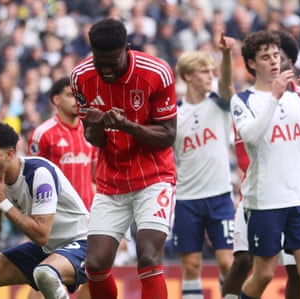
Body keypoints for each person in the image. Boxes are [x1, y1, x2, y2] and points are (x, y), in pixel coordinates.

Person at [70, 18, 177, 299]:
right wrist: (93, 126)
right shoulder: (80, 77)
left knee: (149, 257)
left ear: (126, 49)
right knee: (95, 264)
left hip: (154, 177)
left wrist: (128, 125)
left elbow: (168, 135)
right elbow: (94, 140)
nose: (105, 68)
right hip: (112, 180)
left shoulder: (157, 73)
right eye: (99, 61)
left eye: (112, 61)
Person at [222, 31, 300, 299]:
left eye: (275, 56)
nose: (273, 62)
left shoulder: (299, 100)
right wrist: (273, 97)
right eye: (264, 57)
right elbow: (250, 136)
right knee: (264, 274)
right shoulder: (242, 100)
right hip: (265, 201)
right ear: (251, 64)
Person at [0, 121, 90, 299]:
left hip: (82, 242)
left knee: (45, 273)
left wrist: (3, 202)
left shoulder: (39, 173)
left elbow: (41, 234)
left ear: (9, 154)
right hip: (48, 248)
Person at [172, 32, 236, 299]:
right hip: (187, 199)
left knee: (227, 263)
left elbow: (228, 87)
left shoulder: (219, 104)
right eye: (204, 72)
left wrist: (227, 55)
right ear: (188, 77)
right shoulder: (174, 114)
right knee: (191, 265)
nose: (211, 75)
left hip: (220, 196)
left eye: (212, 71)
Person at [28, 76, 97, 211]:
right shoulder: (43, 133)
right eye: (70, 95)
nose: (77, 100)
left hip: (88, 211)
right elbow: (31, 176)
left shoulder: (90, 131)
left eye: (79, 96)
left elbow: (95, 175)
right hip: (58, 213)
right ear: (57, 100)